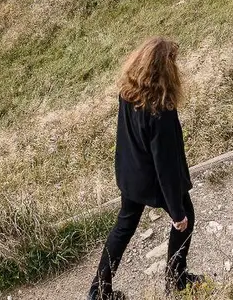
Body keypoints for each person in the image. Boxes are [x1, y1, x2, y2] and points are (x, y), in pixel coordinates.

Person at [88, 38, 209, 300]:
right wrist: (176, 211)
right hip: (152, 179)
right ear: (164, 70)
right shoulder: (160, 110)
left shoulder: (128, 92)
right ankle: (176, 279)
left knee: (124, 226)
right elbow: (165, 166)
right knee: (186, 218)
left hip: (130, 174)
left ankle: (99, 291)